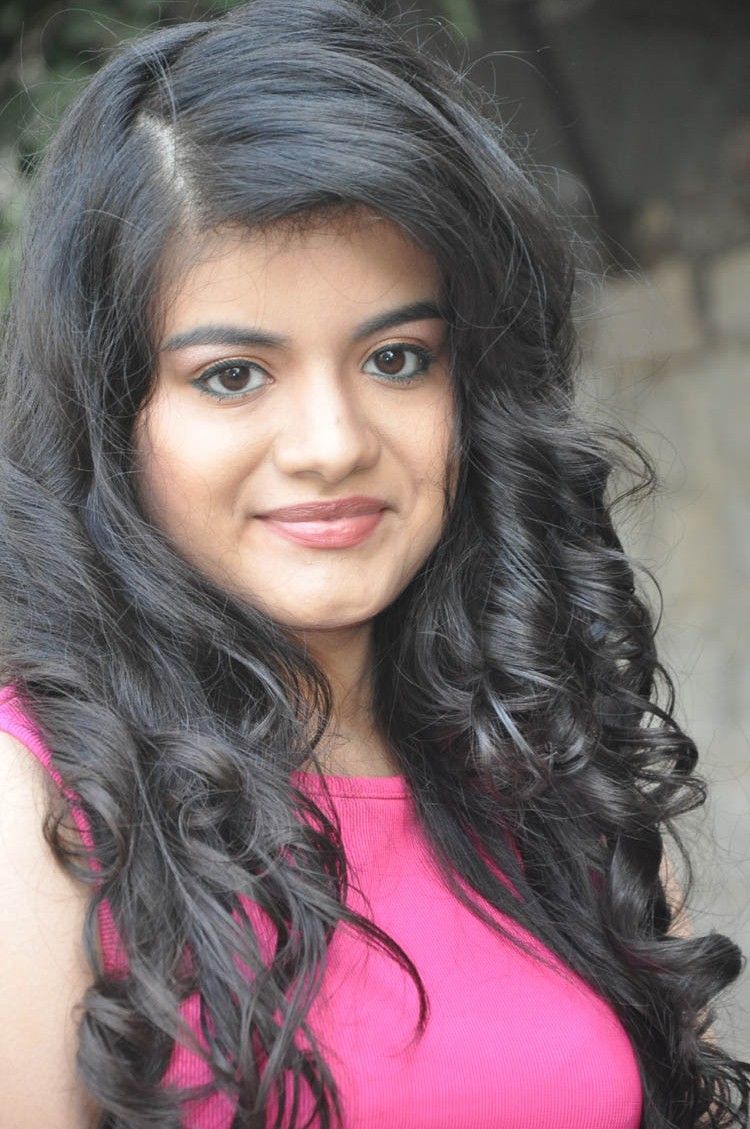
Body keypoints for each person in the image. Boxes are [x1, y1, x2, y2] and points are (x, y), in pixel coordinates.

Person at [0, 1, 746, 1127]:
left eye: (397, 358)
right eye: (233, 376)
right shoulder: (43, 804)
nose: (333, 443)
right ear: (112, 414)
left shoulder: (548, 767)